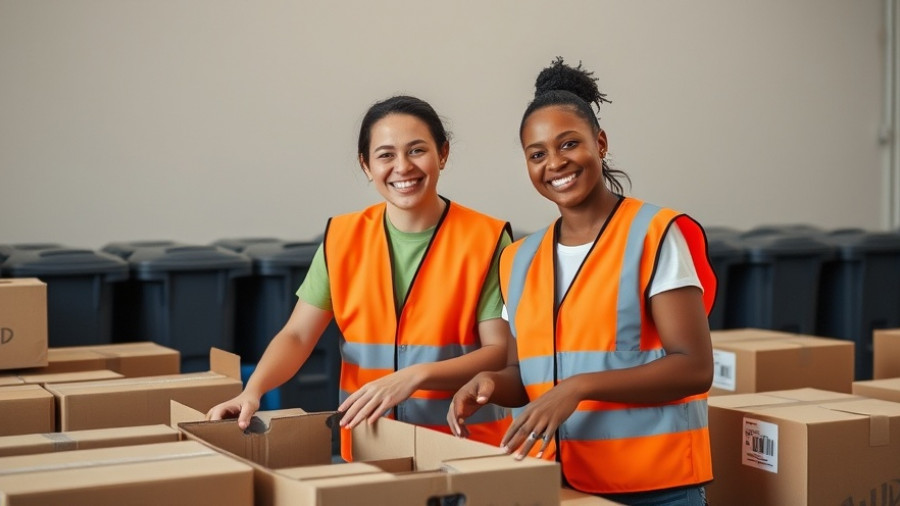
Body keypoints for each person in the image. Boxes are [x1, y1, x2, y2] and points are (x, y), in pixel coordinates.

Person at [447, 58, 717, 506]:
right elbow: (526, 377)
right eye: (537, 154)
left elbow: (694, 367)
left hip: (656, 488)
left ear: (601, 143)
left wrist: (580, 386)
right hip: (561, 487)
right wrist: (491, 382)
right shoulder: (518, 259)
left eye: (568, 144)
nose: (555, 163)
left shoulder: (654, 234)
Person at [208, 95, 512, 461]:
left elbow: (498, 353)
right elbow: (298, 335)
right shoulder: (342, 238)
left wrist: (414, 376)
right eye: (385, 155)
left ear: (442, 154)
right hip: (373, 446)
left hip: (466, 449)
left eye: (417, 150)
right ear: (366, 165)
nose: (402, 167)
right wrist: (252, 391)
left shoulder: (487, 239)